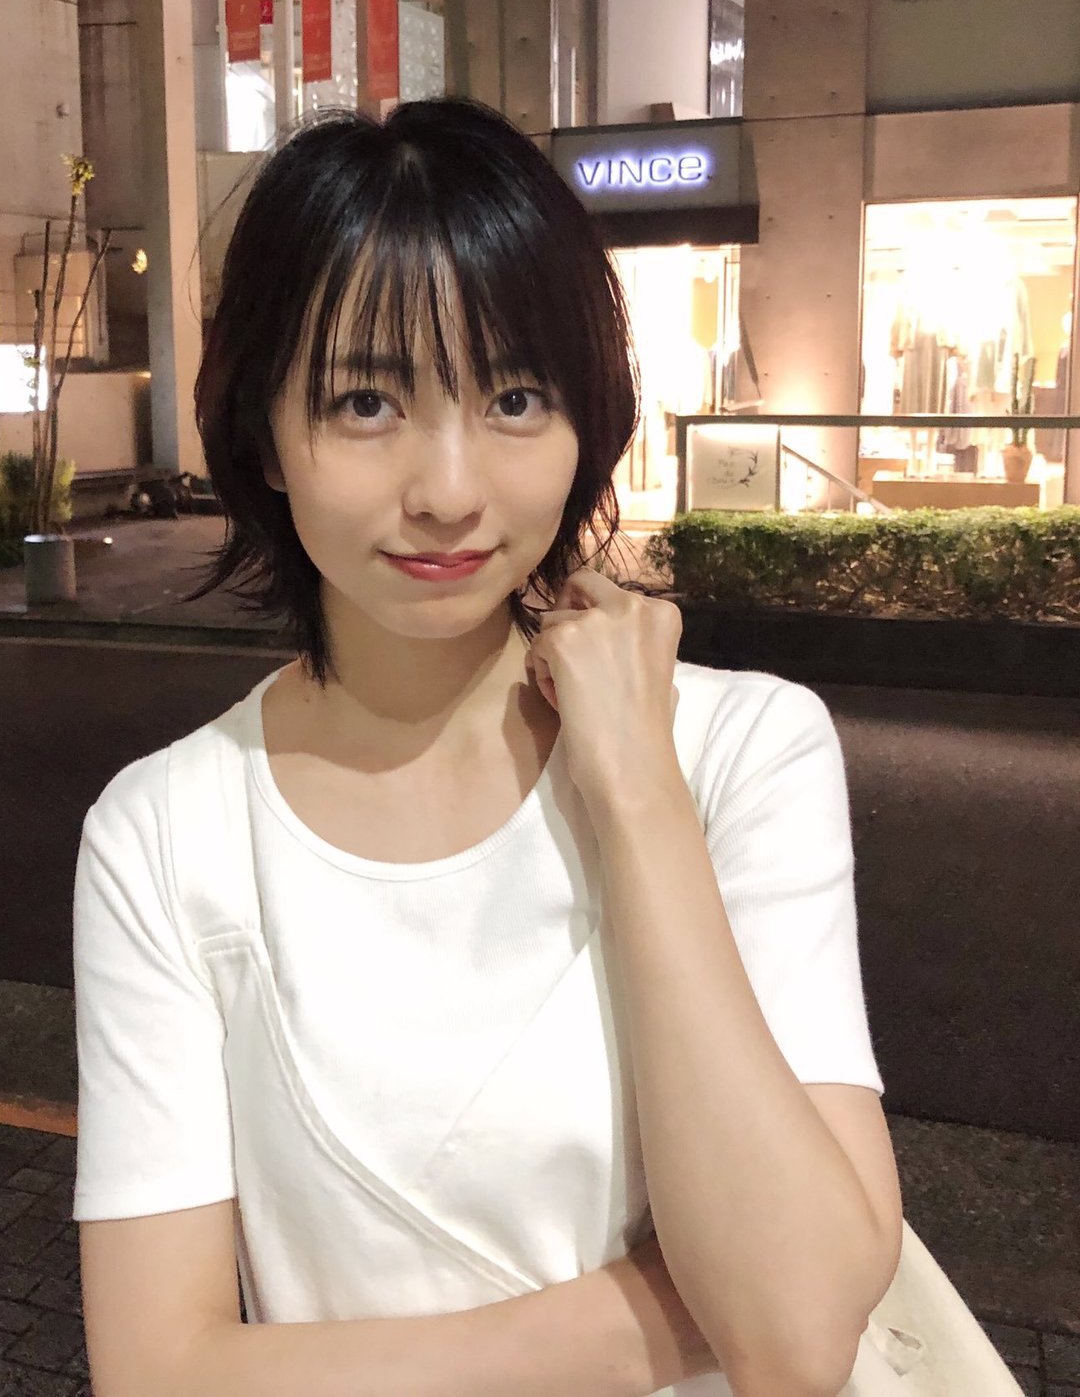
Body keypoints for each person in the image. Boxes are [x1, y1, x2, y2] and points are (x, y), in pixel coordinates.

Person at [70, 97, 903, 1397]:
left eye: (515, 396)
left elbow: (795, 1345)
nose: (449, 490)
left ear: (585, 420)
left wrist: (639, 790)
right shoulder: (167, 836)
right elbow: (158, 1371)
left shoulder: (744, 752)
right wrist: (672, 1317)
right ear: (264, 435)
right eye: (365, 401)